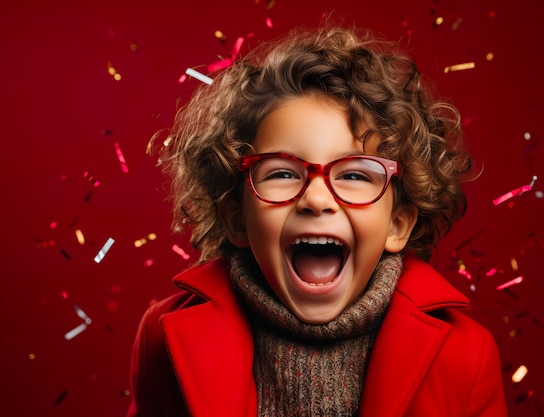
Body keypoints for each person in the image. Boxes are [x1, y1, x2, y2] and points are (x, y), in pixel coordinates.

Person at [127, 18, 508, 417]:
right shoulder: (163, 338)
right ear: (237, 220)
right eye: (282, 172)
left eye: (356, 174)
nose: (316, 198)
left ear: (397, 225)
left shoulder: (465, 356)